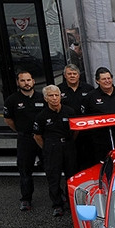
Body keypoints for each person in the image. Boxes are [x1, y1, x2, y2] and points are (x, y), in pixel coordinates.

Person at [32, 85, 77, 217]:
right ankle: (57, 204)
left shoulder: (69, 111)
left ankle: (71, 202)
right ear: (46, 98)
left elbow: (76, 131)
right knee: (53, 178)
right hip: (52, 149)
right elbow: (37, 136)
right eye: (51, 96)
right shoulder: (41, 116)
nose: (54, 98)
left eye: (56, 95)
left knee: (72, 176)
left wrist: (68, 143)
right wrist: (48, 148)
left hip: (68, 147)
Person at [3, 71, 45, 211]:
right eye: (23, 80)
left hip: (42, 138)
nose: (26, 83)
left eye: (28, 80)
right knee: (25, 171)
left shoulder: (42, 97)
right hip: (25, 139)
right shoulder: (12, 100)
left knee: (51, 168)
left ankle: (58, 196)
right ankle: (26, 199)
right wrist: (21, 131)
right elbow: (9, 120)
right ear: (18, 82)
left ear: (33, 81)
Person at [82, 67, 115, 162]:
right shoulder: (91, 97)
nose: (107, 81)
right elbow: (86, 117)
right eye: (104, 79)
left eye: (109, 78)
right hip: (101, 140)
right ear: (97, 81)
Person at [58, 64, 93, 169]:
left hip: (86, 131)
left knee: (88, 160)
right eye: (69, 74)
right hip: (67, 131)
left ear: (79, 75)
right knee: (71, 162)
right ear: (65, 75)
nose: (72, 76)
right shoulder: (59, 90)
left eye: (74, 73)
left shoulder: (89, 89)